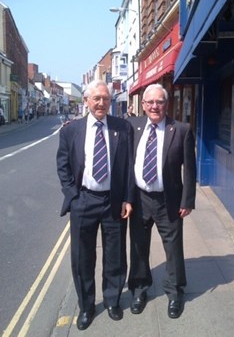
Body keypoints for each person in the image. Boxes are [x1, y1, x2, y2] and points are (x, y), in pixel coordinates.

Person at [56, 79, 135, 331]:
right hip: (84, 200)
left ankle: (112, 300)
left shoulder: (123, 128)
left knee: (115, 255)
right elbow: (63, 165)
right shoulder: (71, 131)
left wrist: (128, 198)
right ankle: (87, 306)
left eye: (106, 99)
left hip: (113, 200)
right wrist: (73, 195)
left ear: (111, 102)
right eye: (97, 98)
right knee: (82, 258)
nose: (102, 103)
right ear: (87, 101)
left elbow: (130, 166)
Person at [127, 83, 196, 319]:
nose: (155, 106)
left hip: (169, 200)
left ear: (167, 104)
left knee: (173, 249)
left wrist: (188, 200)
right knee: (138, 247)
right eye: (150, 102)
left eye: (160, 102)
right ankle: (139, 289)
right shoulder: (132, 126)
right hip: (139, 198)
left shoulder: (181, 129)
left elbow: (190, 169)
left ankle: (174, 292)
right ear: (143, 106)